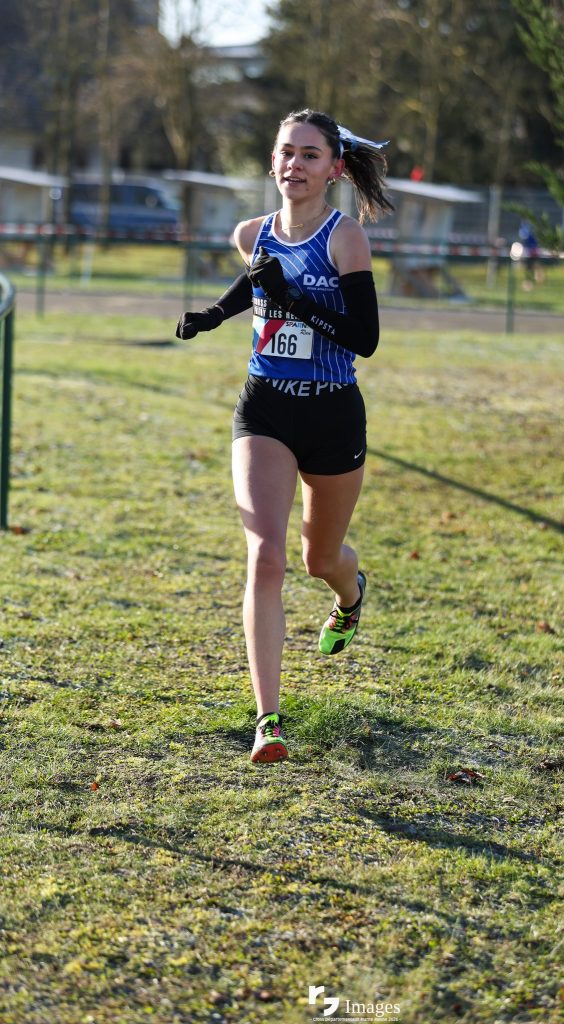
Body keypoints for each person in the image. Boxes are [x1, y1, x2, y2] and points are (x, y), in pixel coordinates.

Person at [175, 109, 393, 764]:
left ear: (334, 167)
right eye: (285, 153)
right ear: (272, 162)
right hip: (265, 409)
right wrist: (215, 314)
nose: (294, 165)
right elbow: (257, 281)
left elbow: (366, 339)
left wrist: (293, 301)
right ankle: (268, 719)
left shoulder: (344, 237)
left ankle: (349, 598)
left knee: (318, 559)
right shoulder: (254, 232)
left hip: (332, 416)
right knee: (265, 554)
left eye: (309, 155)